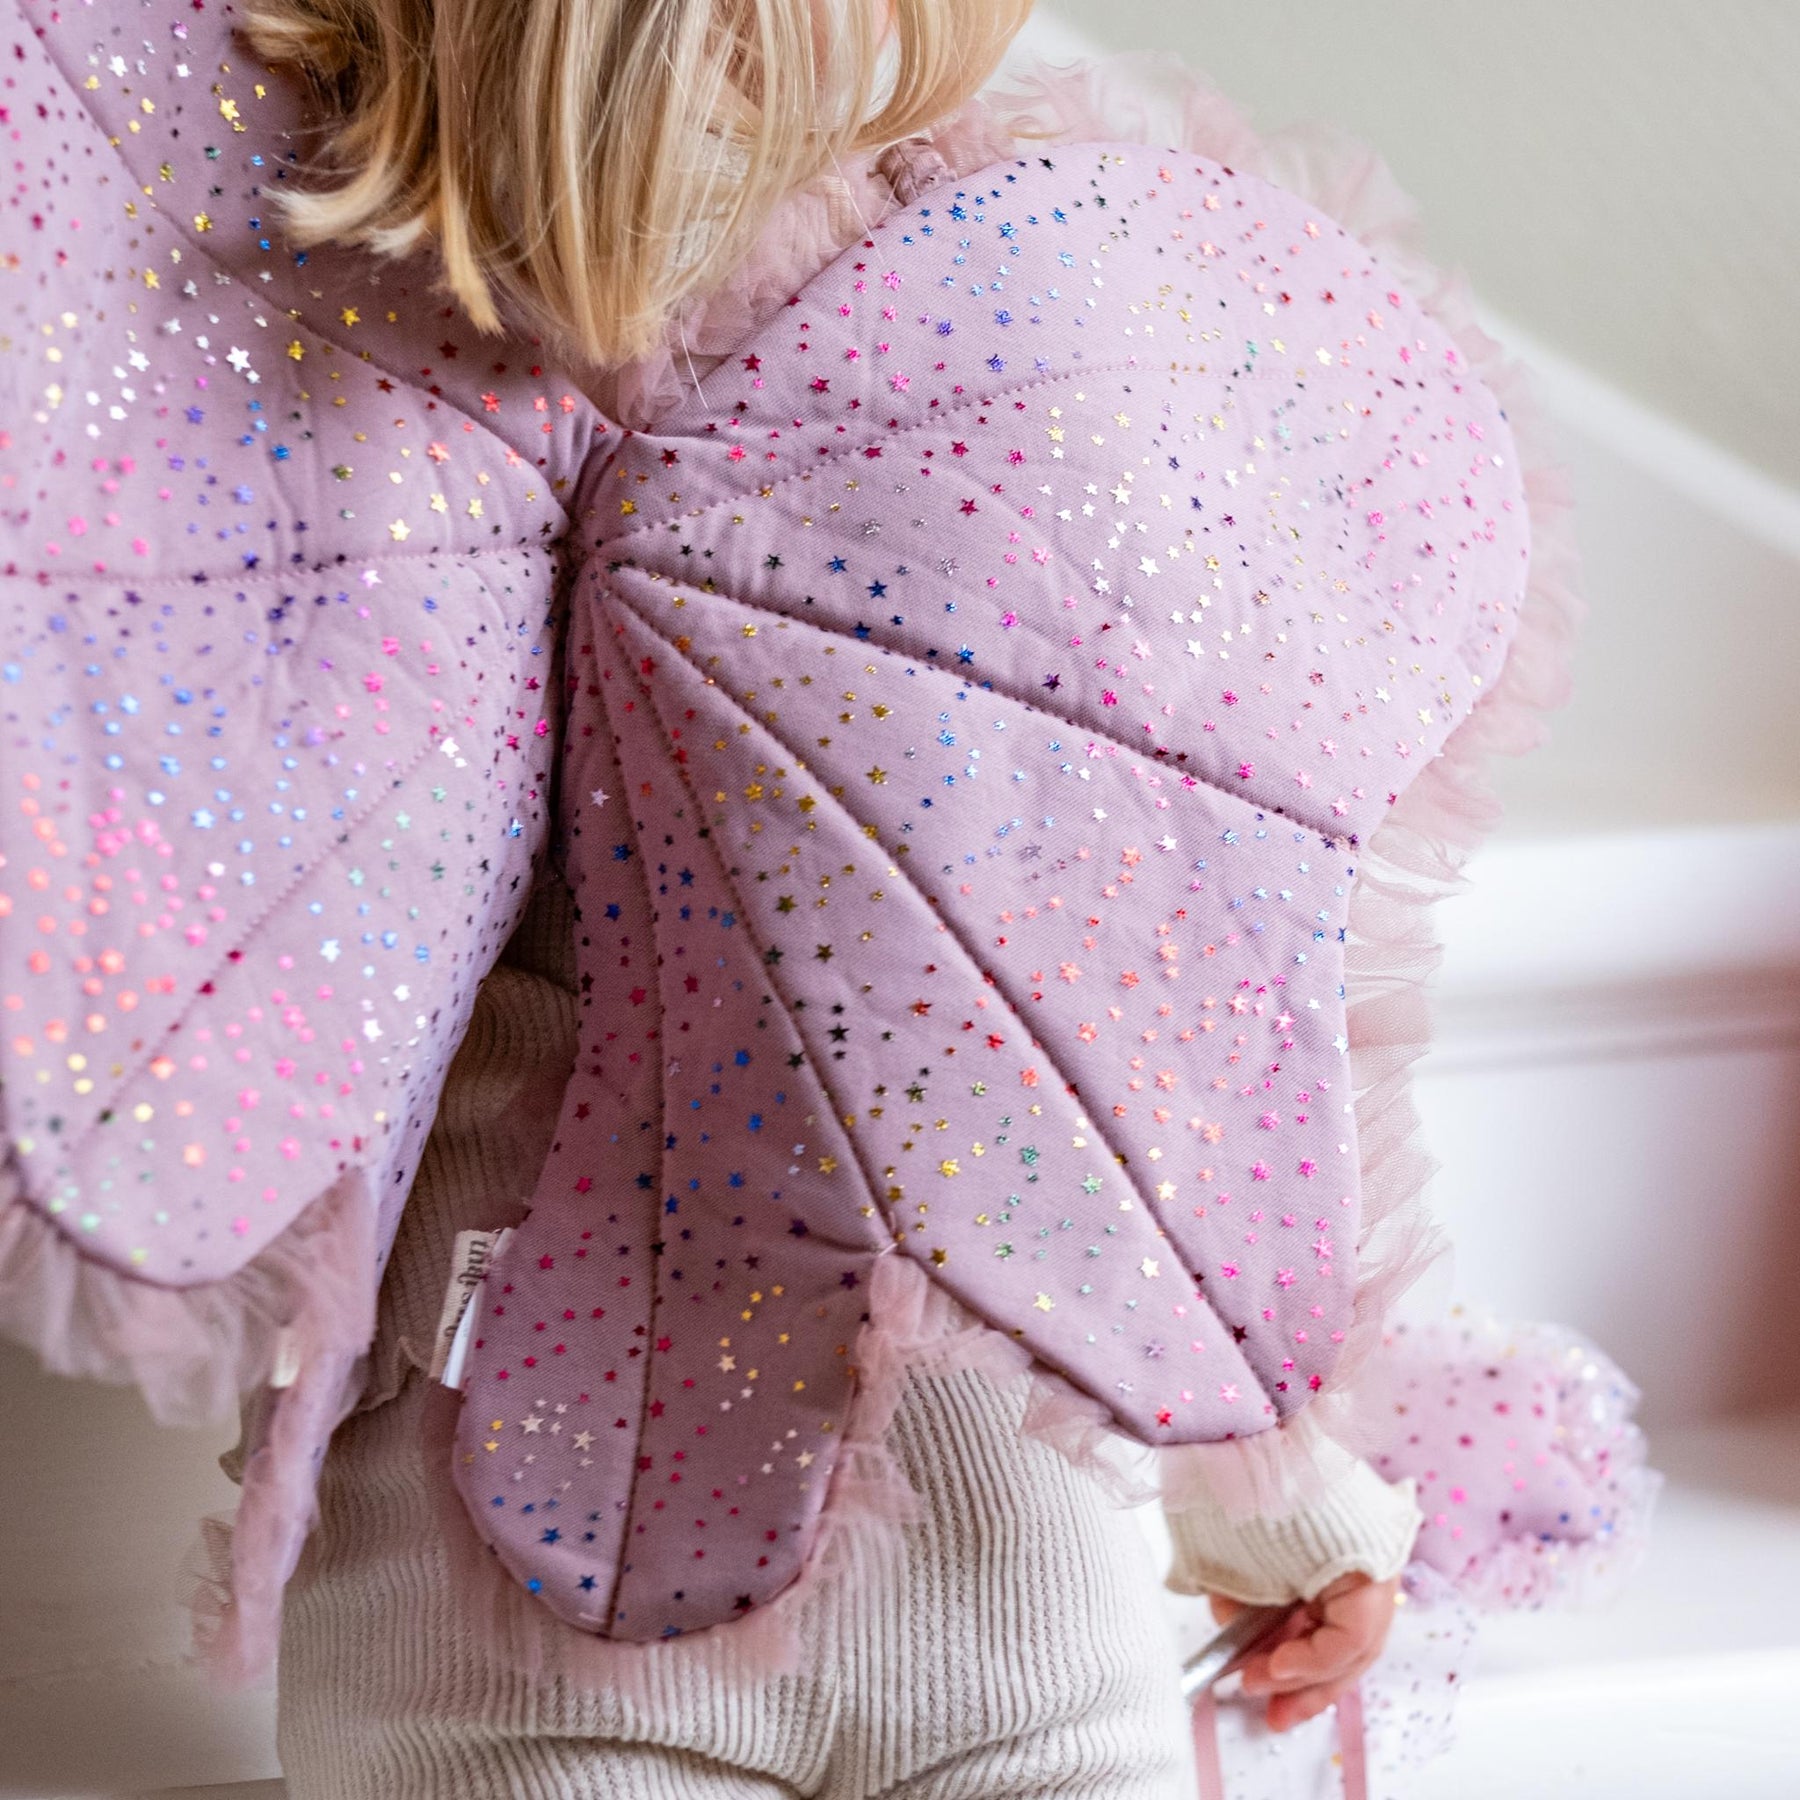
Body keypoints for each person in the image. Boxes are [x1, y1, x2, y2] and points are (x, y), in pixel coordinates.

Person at [0, 3, 1574, 1795]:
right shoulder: (271, 338)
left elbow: (1173, 1003)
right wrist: (1277, 1492)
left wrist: (1277, 1479)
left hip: (969, 1561)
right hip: (539, 1562)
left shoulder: (1016, 335)